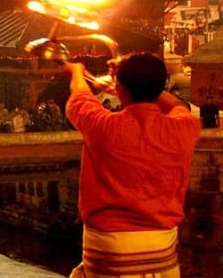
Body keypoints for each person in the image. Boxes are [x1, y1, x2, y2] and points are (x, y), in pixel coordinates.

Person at [63, 53, 200, 278]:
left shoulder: (102, 126)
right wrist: (134, 81)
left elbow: (80, 95)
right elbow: (175, 104)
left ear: (121, 91)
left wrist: (77, 71)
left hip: (110, 250)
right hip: (162, 251)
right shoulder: (186, 127)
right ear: (161, 87)